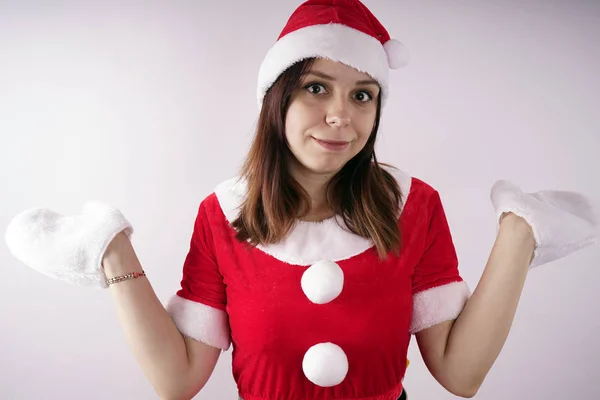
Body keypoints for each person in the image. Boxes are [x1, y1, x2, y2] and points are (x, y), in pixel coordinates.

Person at [5, 1, 599, 399]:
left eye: (363, 95)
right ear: (277, 100)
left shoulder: (414, 206)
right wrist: (112, 251)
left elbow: (461, 373)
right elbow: (177, 379)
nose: (342, 115)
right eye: (316, 88)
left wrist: (519, 235)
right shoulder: (222, 214)